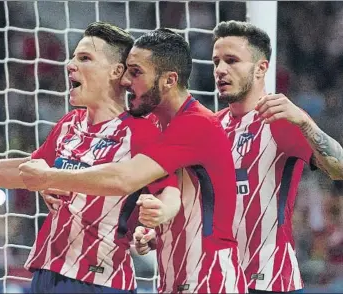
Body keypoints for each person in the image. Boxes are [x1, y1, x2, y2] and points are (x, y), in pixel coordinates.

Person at [0, 22, 180, 293]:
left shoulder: (140, 130)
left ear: (116, 72)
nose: (71, 64)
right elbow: (28, 171)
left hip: (99, 280)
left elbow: (170, 191)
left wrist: (158, 222)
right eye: (73, 56)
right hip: (47, 272)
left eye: (84, 58)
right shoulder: (69, 124)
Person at [18, 28, 247, 293]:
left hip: (211, 280)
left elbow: (125, 178)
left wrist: (52, 176)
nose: (126, 81)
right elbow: (177, 193)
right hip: (174, 277)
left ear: (169, 80)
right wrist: (153, 231)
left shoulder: (196, 123)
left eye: (136, 72)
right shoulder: (155, 125)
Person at [135, 20, 343, 294]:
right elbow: (196, 205)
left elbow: (339, 169)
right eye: (216, 61)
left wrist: (305, 124)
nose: (221, 70)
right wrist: (159, 233)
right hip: (218, 279)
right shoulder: (209, 127)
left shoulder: (282, 120)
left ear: (261, 68)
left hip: (270, 280)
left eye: (232, 61)